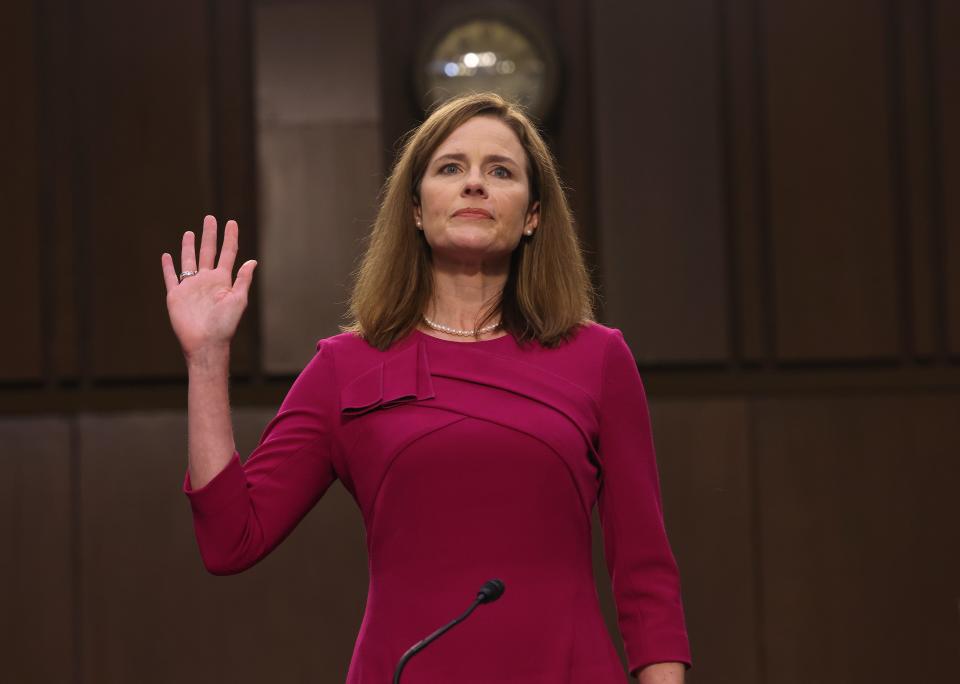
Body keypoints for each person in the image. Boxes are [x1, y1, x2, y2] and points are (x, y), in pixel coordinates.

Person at [161, 92, 691, 683]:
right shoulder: (346, 366)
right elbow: (232, 539)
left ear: (533, 215)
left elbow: (646, 576)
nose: (474, 185)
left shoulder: (598, 358)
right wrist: (207, 360)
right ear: (416, 209)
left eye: (500, 171)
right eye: (450, 168)